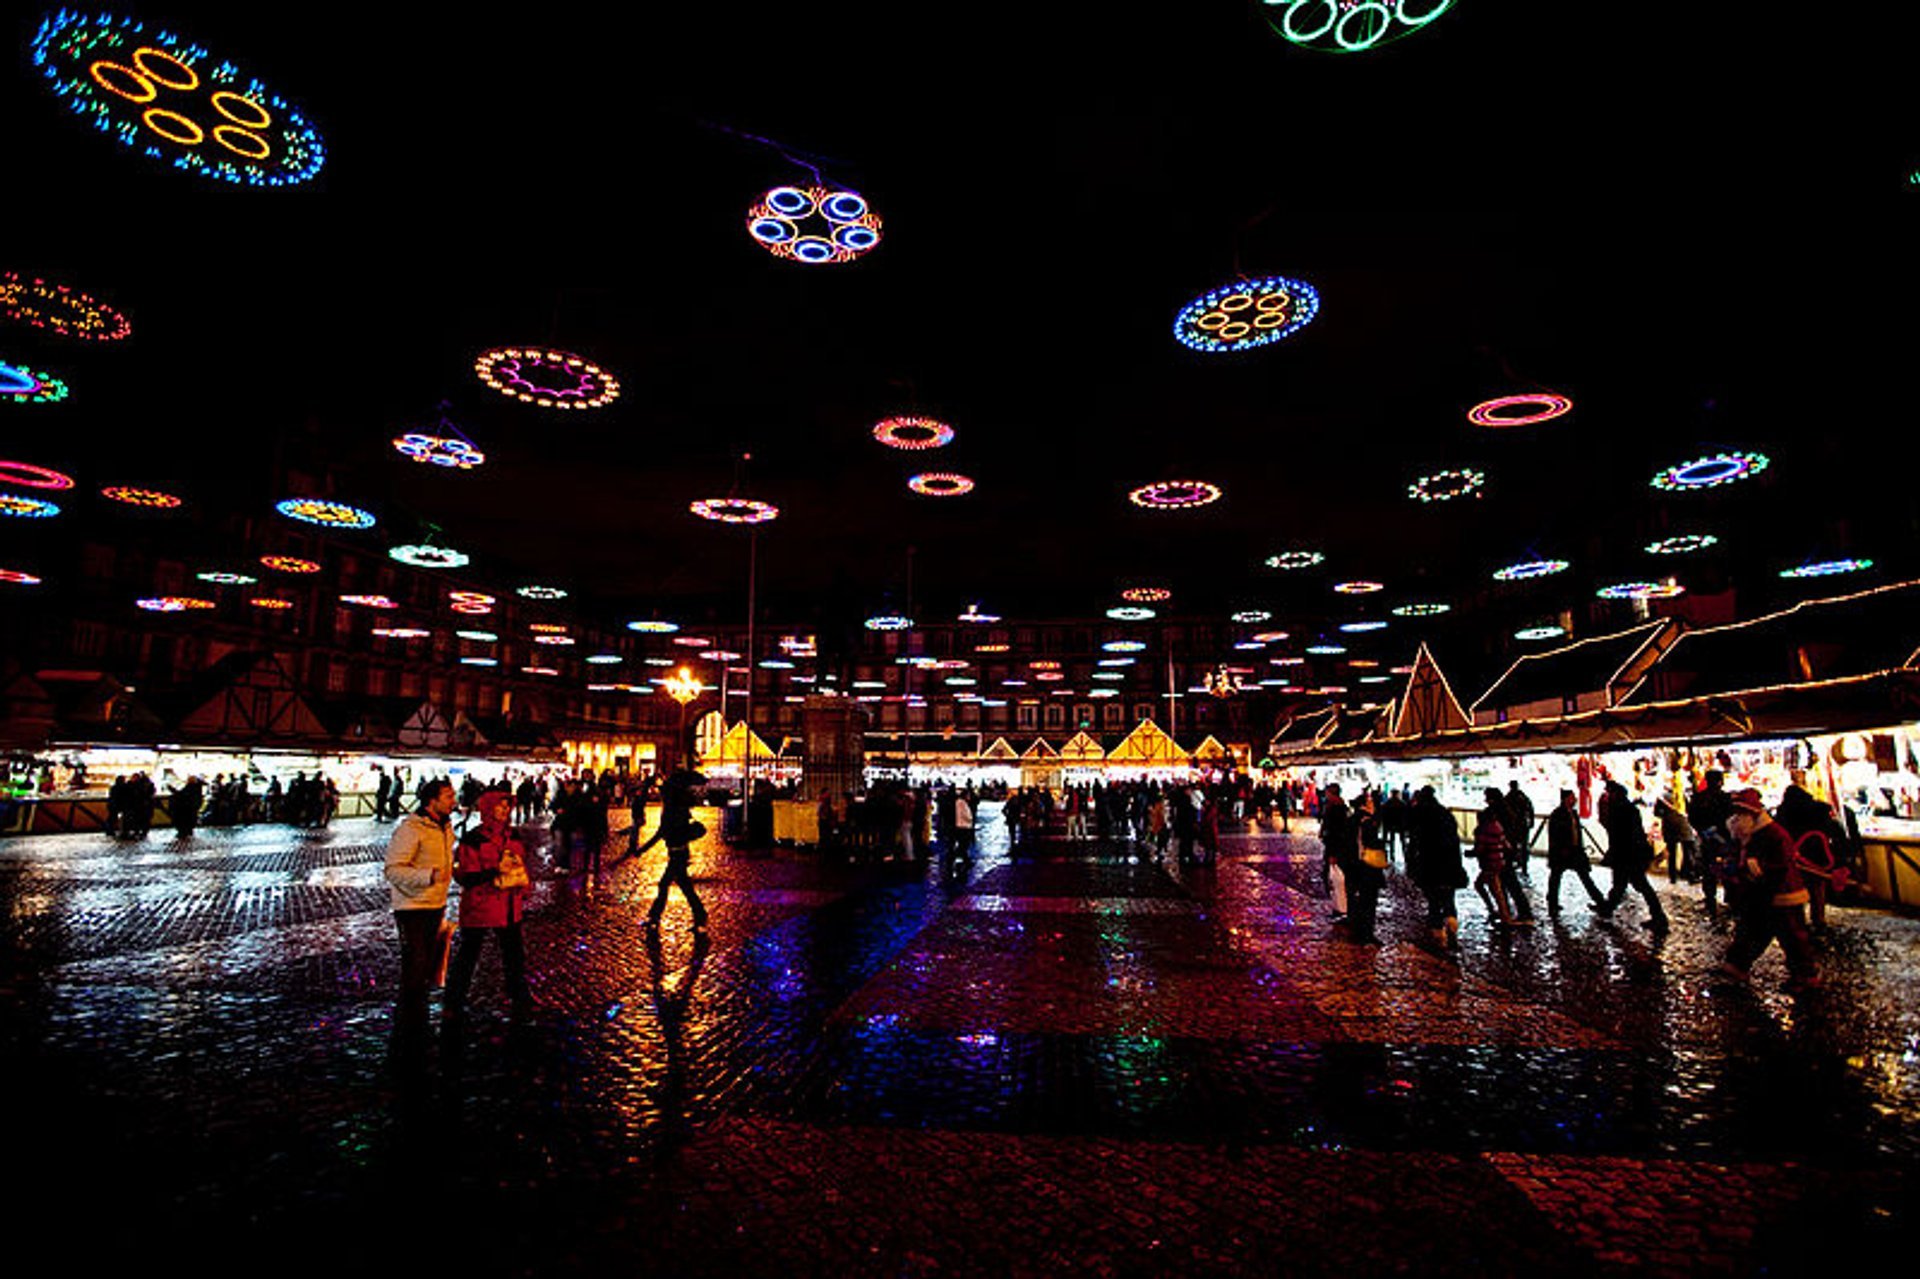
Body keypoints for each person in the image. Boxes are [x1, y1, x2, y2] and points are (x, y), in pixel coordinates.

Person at [444, 784, 535, 1024]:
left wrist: (522, 884)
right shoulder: (473, 839)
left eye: (507, 806)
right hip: (481, 907)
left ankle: (520, 1000)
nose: (505, 810)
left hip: (509, 908)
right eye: (500, 806)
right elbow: (466, 877)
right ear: (488, 808)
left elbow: (520, 865)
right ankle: (453, 1002)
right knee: (468, 957)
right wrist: (495, 871)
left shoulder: (514, 835)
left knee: (515, 958)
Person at [383, 778, 458, 1060]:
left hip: (435, 905)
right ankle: (408, 1033)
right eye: (448, 796)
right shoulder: (411, 829)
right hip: (412, 908)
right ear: (432, 800)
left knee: (427, 969)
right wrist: (428, 877)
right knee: (414, 971)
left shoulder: (445, 827)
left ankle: (418, 1025)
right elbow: (393, 869)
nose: (453, 800)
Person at [1719, 788, 1820, 989]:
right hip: (1761, 893)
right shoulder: (1749, 833)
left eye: (1741, 812)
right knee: (1752, 933)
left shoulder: (1773, 834)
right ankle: (1736, 966)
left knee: (1792, 935)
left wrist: (1755, 869)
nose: (1737, 817)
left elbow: (1780, 864)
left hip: (1782, 894)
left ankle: (1805, 974)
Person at [638, 769, 709, 931]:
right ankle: (700, 915)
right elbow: (662, 832)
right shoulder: (677, 807)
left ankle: (654, 917)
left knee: (665, 885)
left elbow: (661, 832)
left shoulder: (673, 809)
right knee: (685, 887)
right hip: (678, 852)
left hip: (678, 853)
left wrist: (643, 849)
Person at [1600, 780, 1669, 933]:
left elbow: (1619, 835)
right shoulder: (1628, 809)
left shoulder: (1620, 810)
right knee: (1624, 885)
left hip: (1628, 855)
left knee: (1636, 885)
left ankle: (1659, 918)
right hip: (1631, 855)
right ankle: (1606, 909)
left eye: (1609, 793)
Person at [1410, 786, 1467, 950]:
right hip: (1450, 864)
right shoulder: (1446, 814)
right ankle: (1452, 931)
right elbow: (1455, 841)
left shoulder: (1419, 815)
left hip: (1429, 864)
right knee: (1449, 900)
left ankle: (1438, 937)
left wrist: (1412, 864)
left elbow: (1415, 842)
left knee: (1434, 901)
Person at [1545, 788, 1606, 916]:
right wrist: (1560, 849)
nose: (1575, 800)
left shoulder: (1573, 813)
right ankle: (1552, 903)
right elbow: (1554, 834)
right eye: (1572, 798)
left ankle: (1599, 900)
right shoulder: (1558, 814)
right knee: (1556, 878)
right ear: (1566, 799)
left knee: (1584, 877)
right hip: (1562, 852)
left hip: (1575, 851)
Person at [1344, 792, 1387, 944]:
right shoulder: (1367, 821)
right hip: (1367, 866)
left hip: (1355, 866)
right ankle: (1365, 933)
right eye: (1370, 802)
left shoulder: (1353, 819)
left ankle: (1359, 932)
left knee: (1359, 900)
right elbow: (1370, 842)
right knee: (1368, 901)